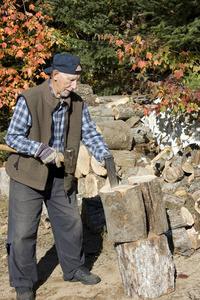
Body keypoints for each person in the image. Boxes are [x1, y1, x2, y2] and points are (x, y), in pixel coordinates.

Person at [5, 53, 111, 300]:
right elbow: (12, 137)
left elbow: (90, 134)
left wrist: (105, 156)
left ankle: (73, 269)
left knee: (71, 223)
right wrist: (40, 149)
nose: (75, 86)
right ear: (55, 76)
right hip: (28, 175)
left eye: (77, 80)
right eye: (71, 80)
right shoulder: (30, 99)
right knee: (22, 232)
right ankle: (23, 282)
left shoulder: (76, 102)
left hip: (62, 173)